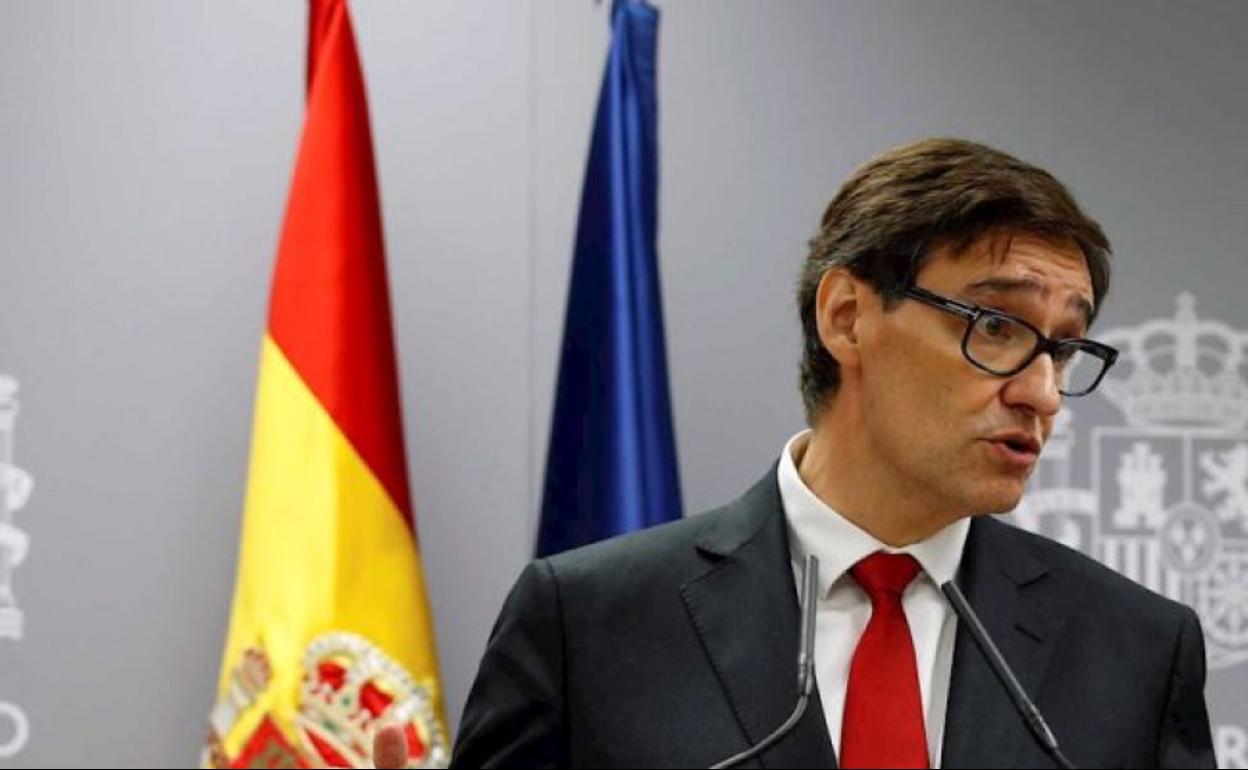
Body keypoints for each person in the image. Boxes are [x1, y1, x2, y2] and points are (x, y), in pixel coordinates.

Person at [438, 138, 1216, 768]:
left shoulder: (1137, 651)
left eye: (1065, 348)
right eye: (996, 326)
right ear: (847, 317)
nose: (1043, 392)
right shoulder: (589, 621)